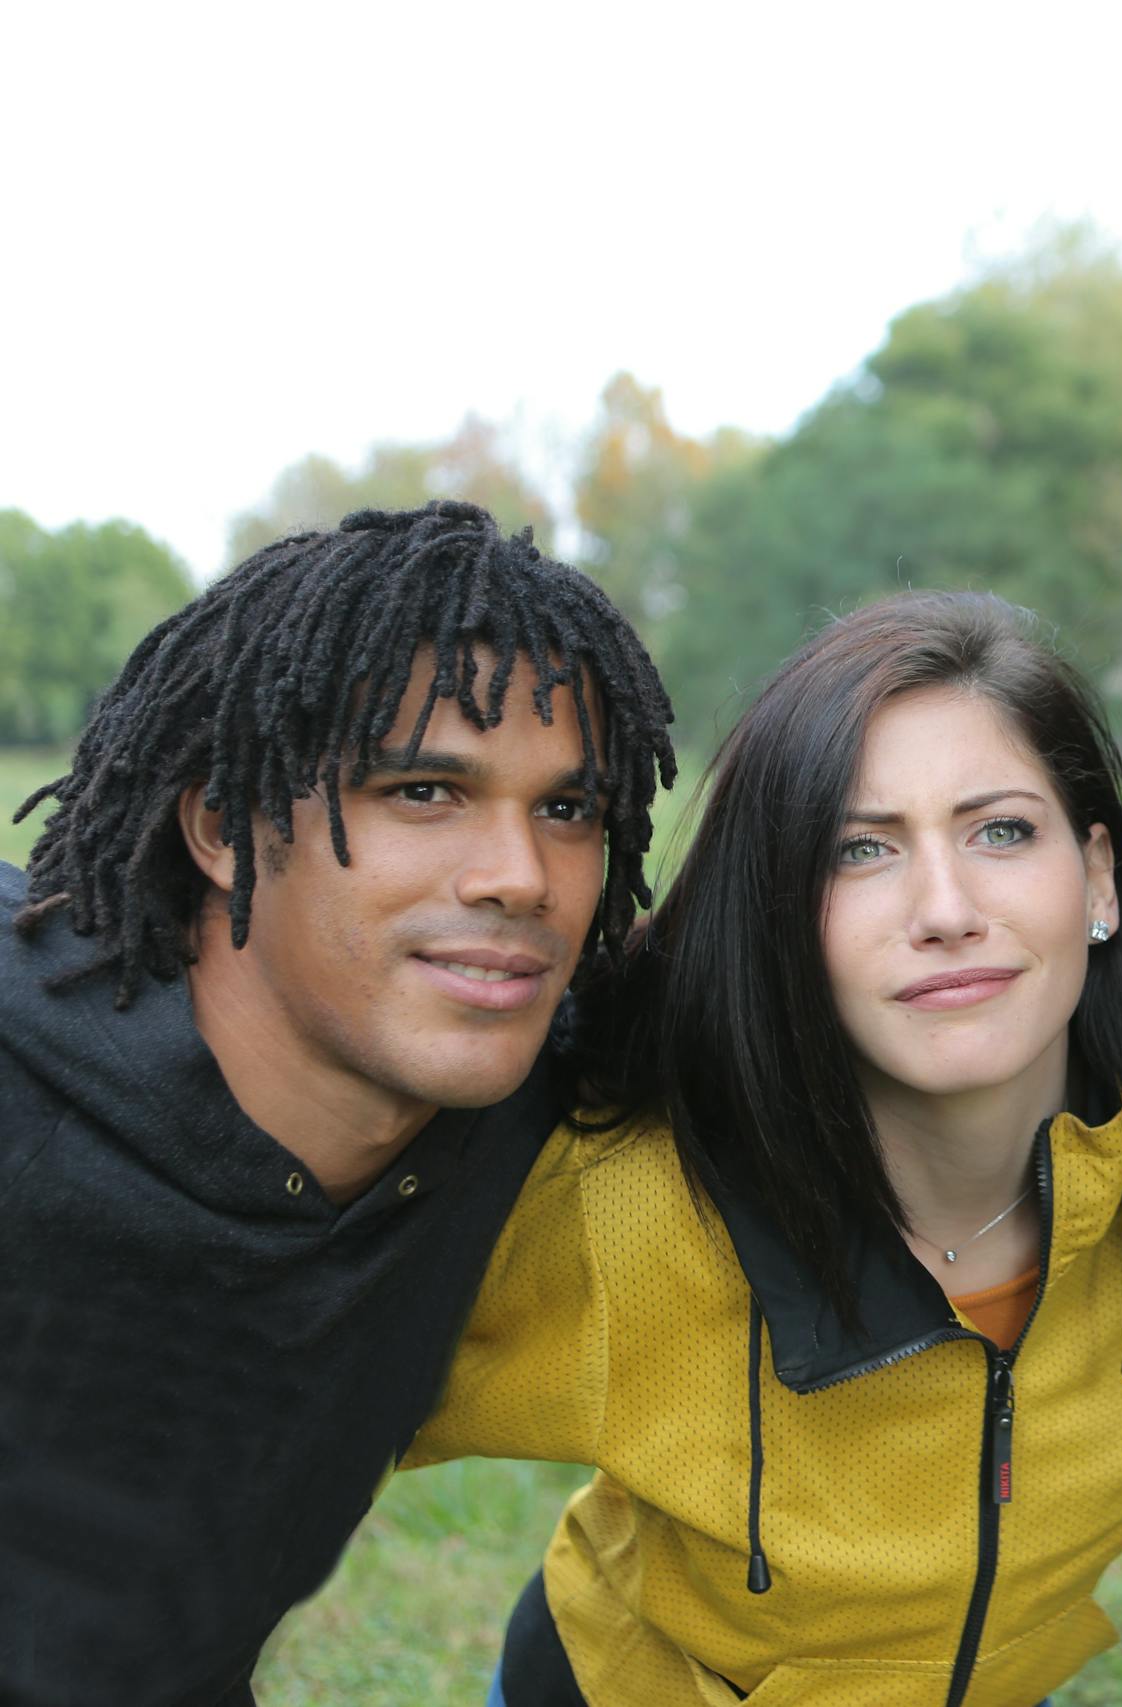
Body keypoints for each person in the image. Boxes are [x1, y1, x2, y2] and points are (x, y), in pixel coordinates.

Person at [405, 589, 1122, 1707]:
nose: (945, 908)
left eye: (1000, 830)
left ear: (1097, 875)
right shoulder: (619, 1213)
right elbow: (280, 1395)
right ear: (778, 915)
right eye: (860, 850)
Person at [0, 501, 675, 1706]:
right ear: (223, 826)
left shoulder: (533, 1094)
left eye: (567, 810)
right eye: (423, 790)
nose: (519, 878)